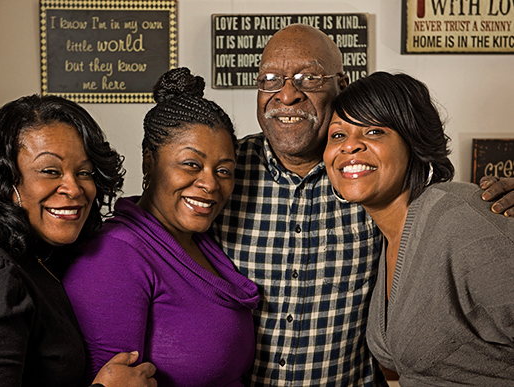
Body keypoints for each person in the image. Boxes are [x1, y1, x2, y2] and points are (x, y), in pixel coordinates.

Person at [211, 23, 514, 386]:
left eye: (309, 77)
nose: (287, 94)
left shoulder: (410, 199)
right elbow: (157, 227)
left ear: (343, 83)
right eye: (271, 78)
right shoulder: (221, 174)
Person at [0, 94, 156, 386]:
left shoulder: (37, 253)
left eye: (84, 172)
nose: (74, 188)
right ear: (5, 179)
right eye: (50, 171)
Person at [63, 67, 259, 387]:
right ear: (149, 162)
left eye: (223, 170)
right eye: (191, 165)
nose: (210, 183)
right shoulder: (115, 257)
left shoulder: (200, 241)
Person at [324, 71, 514, 386]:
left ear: (412, 141)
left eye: (373, 131)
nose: (350, 147)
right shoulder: (388, 235)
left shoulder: (461, 219)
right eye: (338, 135)